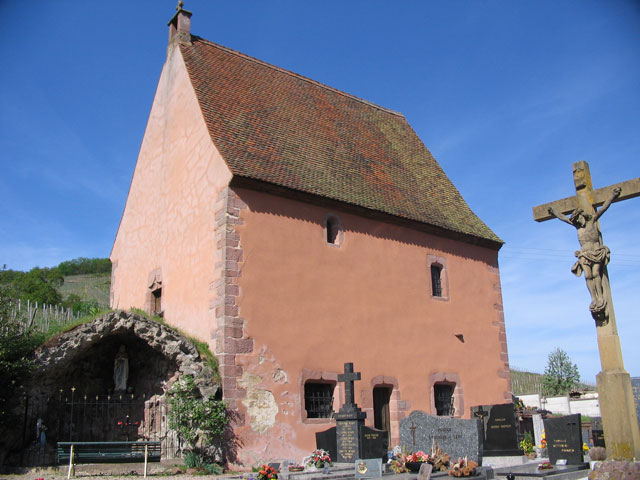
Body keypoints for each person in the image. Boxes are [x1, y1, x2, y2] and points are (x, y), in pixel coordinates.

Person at [548, 187, 621, 314]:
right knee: (588, 276)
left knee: (596, 273)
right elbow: (564, 218)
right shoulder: (577, 227)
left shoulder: (591, 221)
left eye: (578, 219)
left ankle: (600, 297)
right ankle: (594, 298)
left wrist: (612, 196)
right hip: (584, 254)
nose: (577, 221)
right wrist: (554, 212)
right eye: (575, 220)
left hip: (596, 252)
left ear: (582, 216)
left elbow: (603, 208)